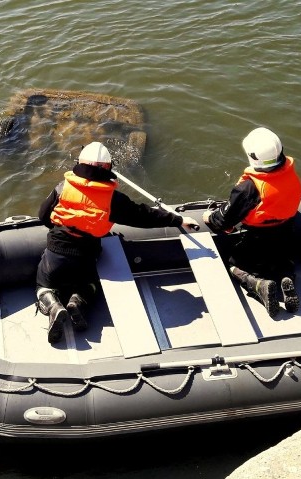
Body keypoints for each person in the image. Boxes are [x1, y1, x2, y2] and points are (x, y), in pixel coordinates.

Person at [36, 141, 200, 344]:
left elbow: (43, 216)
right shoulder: (114, 200)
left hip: (56, 253)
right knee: (91, 284)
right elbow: (144, 216)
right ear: (108, 168)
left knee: (43, 284)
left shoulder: (62, 188)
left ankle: (52, 304)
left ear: (80, 164)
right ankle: (78, 300)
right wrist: (178, 220)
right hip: (86, 256)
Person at [202, 127, 301, 318]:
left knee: (233, 265)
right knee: (281, 262)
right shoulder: (289, 174)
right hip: (285, 233)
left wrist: (209, 217)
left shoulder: (248, 188)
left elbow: (223, 220)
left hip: (258, 238)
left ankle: (260, 286)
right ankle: (286, 277)